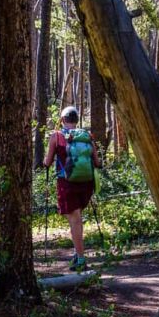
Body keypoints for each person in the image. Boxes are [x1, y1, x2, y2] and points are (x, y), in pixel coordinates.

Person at [43, 106, 102, 271]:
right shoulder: (86, 136)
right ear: (76, 120)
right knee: (77, 219)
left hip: (67, 184)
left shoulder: (56, 136)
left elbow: (47, 162)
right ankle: (78, 253)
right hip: (86, 184)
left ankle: (81, 259)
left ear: (62, 120)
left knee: (75, 221)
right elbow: (97, 162)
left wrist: (45, 163)